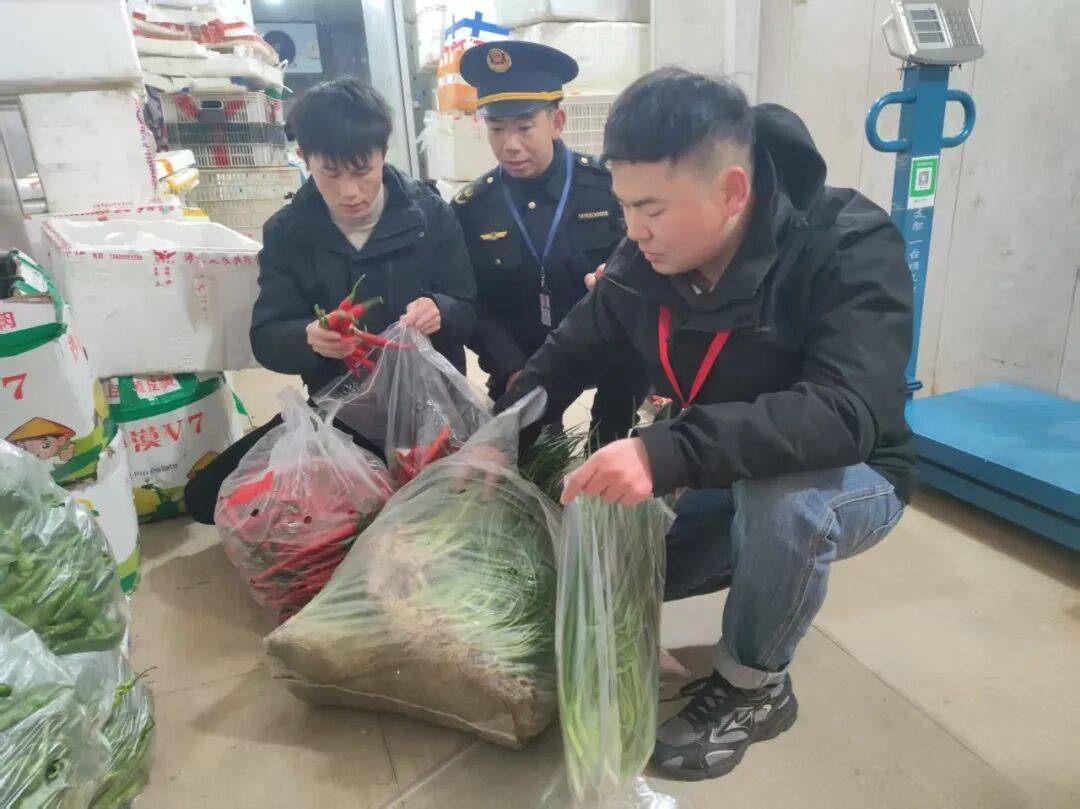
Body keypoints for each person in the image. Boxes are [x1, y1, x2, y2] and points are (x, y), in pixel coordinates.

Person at [497, 68, 914, 780]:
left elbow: (844, 414)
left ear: (731, 191)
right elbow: (567, 354)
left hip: (852, 473)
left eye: (651, 209)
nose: (633, 230)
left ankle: (755, 686)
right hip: (722, 469)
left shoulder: (847, 244)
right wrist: (497, 443)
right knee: (611, 559)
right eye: (625, 206)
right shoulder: (645, 259)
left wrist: (663, 452)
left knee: (784, 506)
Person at [184, 78, 477, 524]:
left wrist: (442, 309)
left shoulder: (430, 214)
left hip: (430, 414)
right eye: (331, 174)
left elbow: (469, 307)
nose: (350, 192)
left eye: (362, 170)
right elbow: (266, 336)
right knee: (208, 498)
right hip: (342, 413)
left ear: (383, 153)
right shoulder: (288, 231)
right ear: (305, 159)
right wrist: (309, 338)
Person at [453, 40, 647, 442]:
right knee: (521, 456)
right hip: (521, 358)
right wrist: (510, 366)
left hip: (608, 352)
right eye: (496, 129)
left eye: (524, 127)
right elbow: (473, 301)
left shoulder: (608, 187)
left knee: (612, 448)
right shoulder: (474, 207)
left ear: (557, 121)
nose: (510, 145)